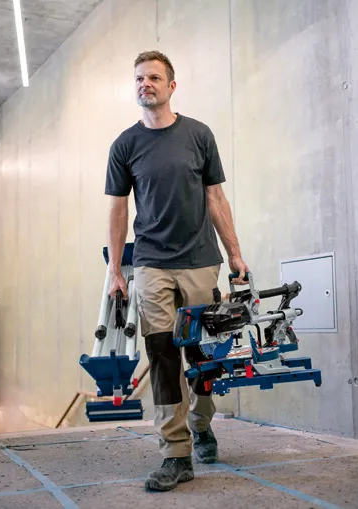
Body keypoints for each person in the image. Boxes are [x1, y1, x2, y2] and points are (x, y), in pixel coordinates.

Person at [104, 50, 249, 492]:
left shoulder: (198, 135)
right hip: (151, 263)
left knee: (203, 354)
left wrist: (235, 254)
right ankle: (176, 452)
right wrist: (116, 269)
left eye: (153, 77)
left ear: (171, 85)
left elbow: (216, 199)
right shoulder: (125, 145)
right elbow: (117, 209)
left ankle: (202, 426)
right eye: (138, 78)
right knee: (163, 354)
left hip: (201, 260)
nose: (144, 84)